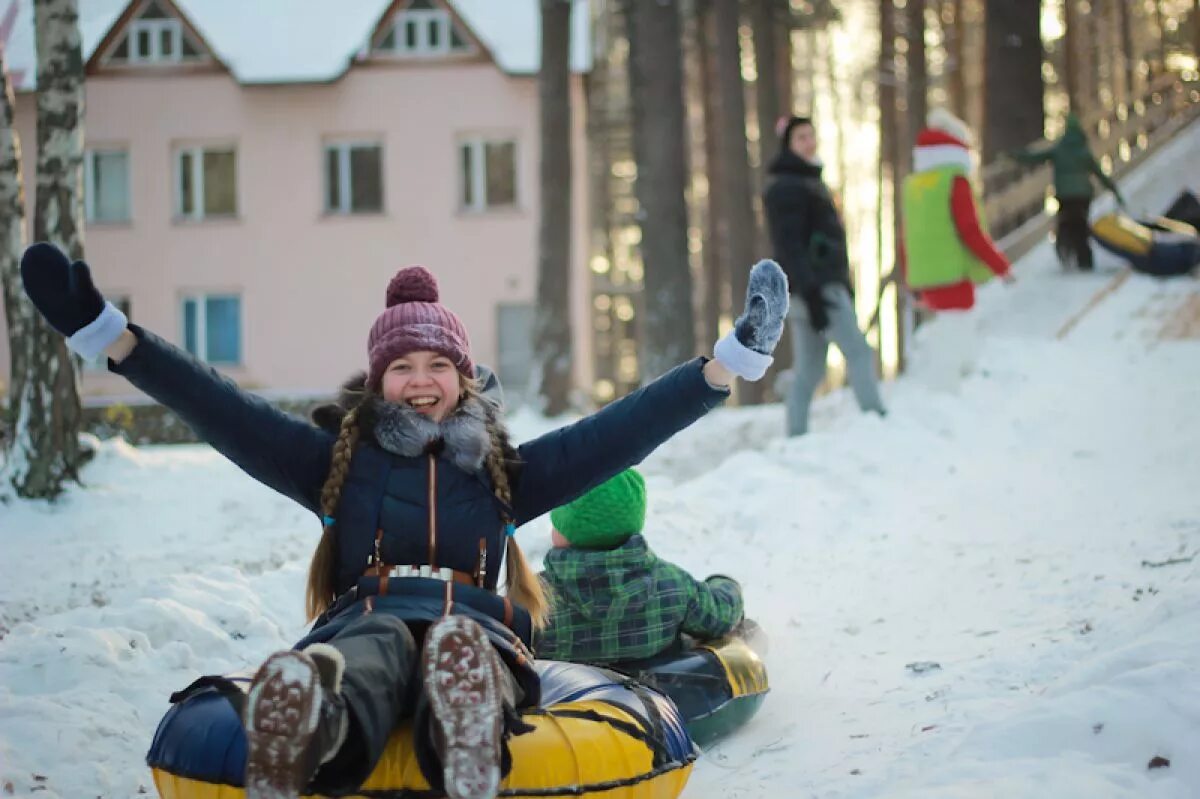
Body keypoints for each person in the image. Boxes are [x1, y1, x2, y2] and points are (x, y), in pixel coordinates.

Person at [19, 243, 788, 799]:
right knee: (377, 647)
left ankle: (466, 734)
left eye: (437, 365)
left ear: (461, 379)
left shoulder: (502, 475)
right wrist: (110, 336)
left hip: (474, 626)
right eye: (403, 367)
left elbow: (619, 430)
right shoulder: (335, 465)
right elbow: (223, 409)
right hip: (368, 617)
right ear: (380, 382)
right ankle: (307, 719)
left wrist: (725, 364)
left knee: (464, 647)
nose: (421, 379)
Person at [534, 468, 743, 664]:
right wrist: (724, 584)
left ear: (567, 531)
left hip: (569, 696)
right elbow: (721, 615)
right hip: (663, 695)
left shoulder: (534, 599)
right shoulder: (671, 584)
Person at [764, 115, 886, 436]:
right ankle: (877, 422)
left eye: (811, 136)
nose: (809, 142)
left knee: (810, 369)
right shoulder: (789, 188)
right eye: (801, 137)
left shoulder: (809, 182)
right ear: (789, 145)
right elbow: (789, 245)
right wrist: (812, 289)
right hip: (817, 288)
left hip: (811, 289)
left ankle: (796, 435)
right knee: (858, 351)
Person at [1007, 112, 1126, 271]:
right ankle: (1084, 260)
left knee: (1066, 224)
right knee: (1081, 226)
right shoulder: (1083, 152)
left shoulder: (1059, 150)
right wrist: (1114, 191)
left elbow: (1035, 157)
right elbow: (1099, 174)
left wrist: (1015, 156)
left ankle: (1066, 252)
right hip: (1083, 196)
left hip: (1065, 196)